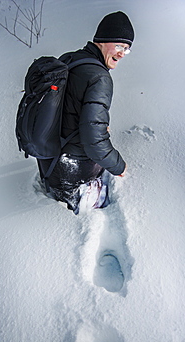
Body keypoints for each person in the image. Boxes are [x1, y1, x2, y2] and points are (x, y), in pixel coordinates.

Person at [37, 11, 134, 214]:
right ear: (102, 40)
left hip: (48, 161)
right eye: (118, 46)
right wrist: (119, 166)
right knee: (95, 211)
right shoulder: (100, 78)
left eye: (127, 48)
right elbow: (94, 142)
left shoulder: (69, 59)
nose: (122, 53)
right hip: (73, 170)